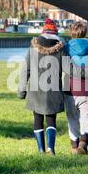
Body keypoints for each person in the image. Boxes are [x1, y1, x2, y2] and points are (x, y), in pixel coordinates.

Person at [18, 19, 65, 156]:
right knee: (51, 119)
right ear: (56, 33)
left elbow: (25, 70)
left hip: (35, 91)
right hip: (54, 90)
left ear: (43, 33)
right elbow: (69, 70)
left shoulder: (33, 48)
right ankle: (51, 148)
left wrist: (22, 90)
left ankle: (41, 150)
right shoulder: (62, 48)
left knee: (37, 119)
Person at [64, 21, 88, 155]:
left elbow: (63, 67)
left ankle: (74, 148)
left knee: (72, 119)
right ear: (85, 32)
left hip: (70, 89)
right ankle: (83, 143)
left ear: (72, 33)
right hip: (87, 89)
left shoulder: (66, 48)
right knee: (86, 118)